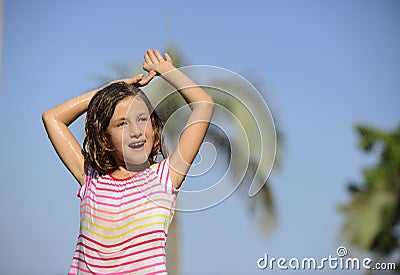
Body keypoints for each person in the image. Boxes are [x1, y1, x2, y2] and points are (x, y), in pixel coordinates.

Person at [42, 49, 215, 274]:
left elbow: (204, 105)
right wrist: (111, 90)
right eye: (122, 123)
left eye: (142, 119)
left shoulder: (164, 178)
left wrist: (168, 71)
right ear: (104, 137)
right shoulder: (91, 178)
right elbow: (52, 118)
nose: (136, 131)